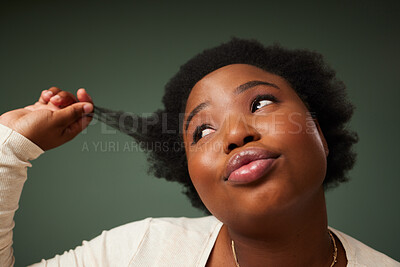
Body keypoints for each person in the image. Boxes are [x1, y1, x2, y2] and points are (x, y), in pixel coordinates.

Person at [0, 38, 398, 267]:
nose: (236, 135)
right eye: (203, 130)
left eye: (260, 104)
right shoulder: (140, 250)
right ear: (190, 173)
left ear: (321, 134)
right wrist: (11, 145)